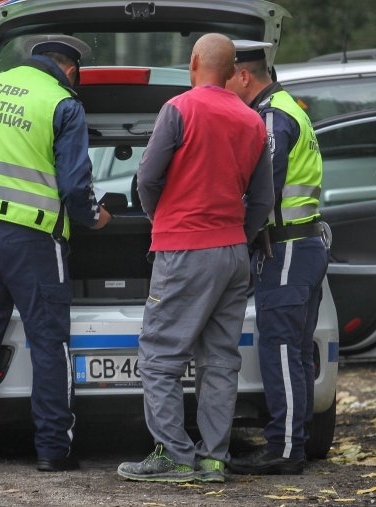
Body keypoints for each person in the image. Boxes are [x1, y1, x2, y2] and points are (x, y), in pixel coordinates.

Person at [0, 34, 112, 475]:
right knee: (49, 343)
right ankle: (52, 450)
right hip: (34, 241)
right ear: (71, 70)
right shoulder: (62, 104)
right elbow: (75, 186)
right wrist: (94, 218)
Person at [116, 33, 274, 484]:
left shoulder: (179, 110)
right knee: (221, 359)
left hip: (185, 249)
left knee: (160, 356)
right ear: (230, 72)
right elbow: (262, 200)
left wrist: (160, 217)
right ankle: (212, 459)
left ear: (193, 63)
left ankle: (173, 456)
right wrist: (237, 236)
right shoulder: (250, 121)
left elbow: (147, 178)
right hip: (232, 254)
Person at [225, 40, 329, 476]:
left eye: (228, 78)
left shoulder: (271, 118)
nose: (225, 86)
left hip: (285, 247)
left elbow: (262, 189)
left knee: (282, 350)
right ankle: (293, 441)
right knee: (298, 352)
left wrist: (236, 236)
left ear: (244, 75)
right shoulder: (290, 107)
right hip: (303, 245)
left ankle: (284, 450)